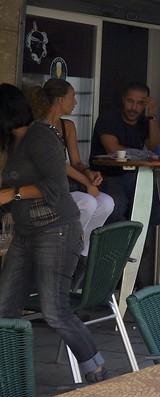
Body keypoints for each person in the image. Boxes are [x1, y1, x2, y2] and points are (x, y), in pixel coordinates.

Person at [0, 83, 109, 381]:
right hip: (25, 233)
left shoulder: (39, 136)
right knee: (4, 308)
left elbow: (57, 188)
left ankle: (96, 369)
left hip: (56, 231)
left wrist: (13, 194)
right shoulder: (15, 143)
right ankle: (10, 375)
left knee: (55, 310)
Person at [30, 78, 114, 257]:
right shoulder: (38, 127)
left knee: (107, 203)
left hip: (66, 184)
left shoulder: (67, 126)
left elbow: (75, 162)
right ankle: (67, 248)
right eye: (72, 97)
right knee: (88, 202)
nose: (75, 102)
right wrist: (86, 182)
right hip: (46, 186)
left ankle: (82, 252)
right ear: (61, 100)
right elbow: (58, 164)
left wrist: (88, 173)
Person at [90, 82, 160, 223]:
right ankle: (117, 243)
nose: (134, 108)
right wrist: (144, 155)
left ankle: (138, 242)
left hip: (133, 174)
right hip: (106, 175)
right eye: (130, 101)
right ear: (123, 99)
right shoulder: (109, 117)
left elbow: (157, 148)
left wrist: (152, 117)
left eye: (140, 103)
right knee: (117, 205)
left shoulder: (143, 121)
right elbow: (113, 150)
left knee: (154, 204)